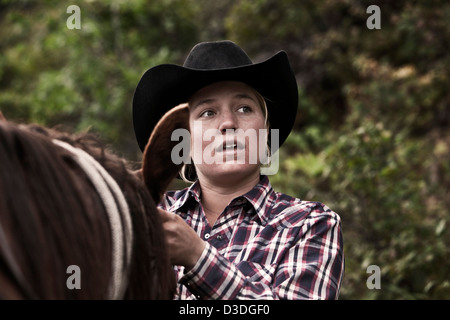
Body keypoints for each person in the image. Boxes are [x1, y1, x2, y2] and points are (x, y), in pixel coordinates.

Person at [132, 40, 344, 300]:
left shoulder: (310, 223)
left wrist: (198, 257)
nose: (229, 123)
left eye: (244, 108)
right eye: (208, 112)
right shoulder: (145, 218)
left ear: (266, 132)